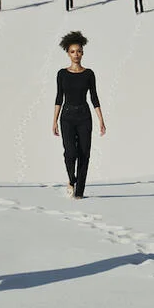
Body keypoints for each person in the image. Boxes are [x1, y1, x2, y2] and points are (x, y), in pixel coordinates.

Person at [51, 30, 105, 199]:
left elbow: (94, 97)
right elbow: (59, 97)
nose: (76, 55)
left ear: (83, 52)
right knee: (70, 153)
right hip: (66, 117)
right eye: (73, 51)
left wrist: (101, 120)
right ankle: (72, 179)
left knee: (84, 153)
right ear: (68, 53)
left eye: (79, 51)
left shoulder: (89, 74)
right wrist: (54, 121)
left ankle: (79, 192)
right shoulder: (62, 74)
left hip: (84, 116)